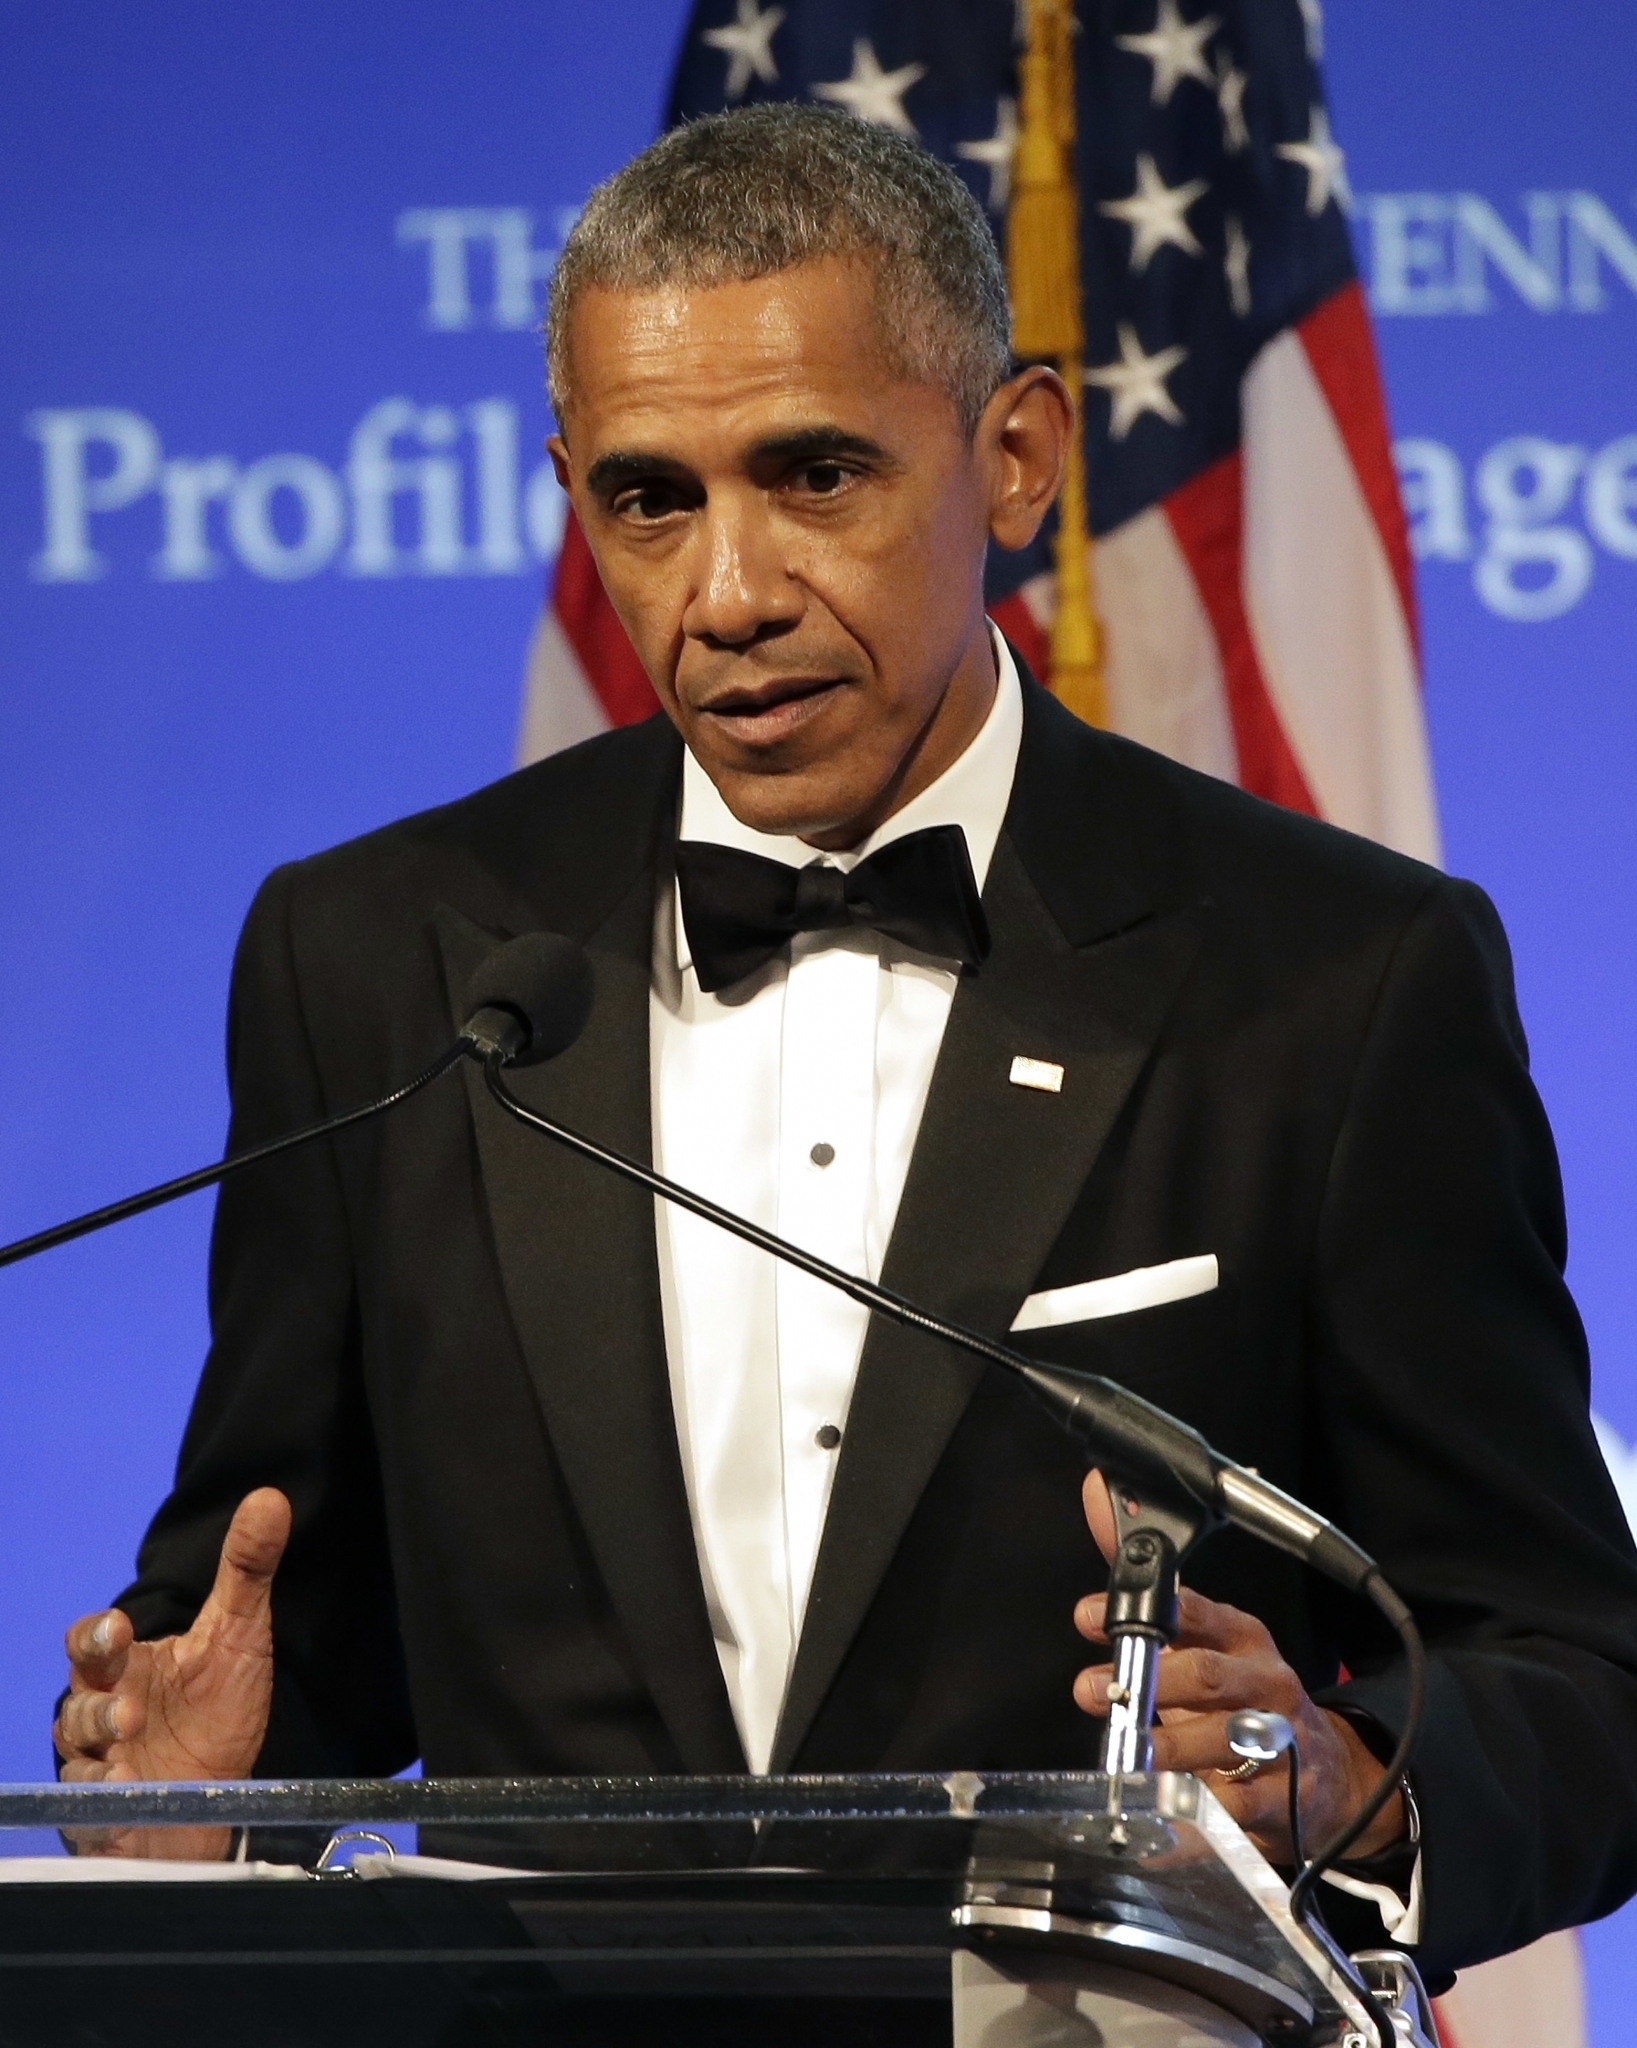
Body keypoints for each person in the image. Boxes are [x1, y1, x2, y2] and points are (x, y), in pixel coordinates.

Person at [53, 104, 1637, 1979]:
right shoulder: (376, 959)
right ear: (570, 491)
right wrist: (197, 1779)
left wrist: (1349, 1779)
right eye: (649, 498)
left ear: (1015, 456)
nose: (726, 593)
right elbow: (283, 1611)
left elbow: (1568, 1677)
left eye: (814, 475)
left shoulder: (1336, 976)